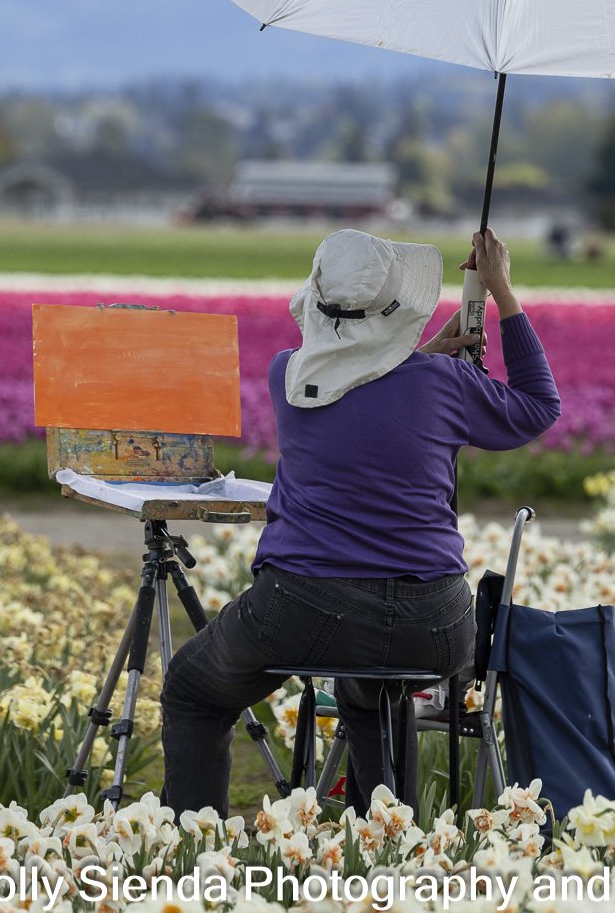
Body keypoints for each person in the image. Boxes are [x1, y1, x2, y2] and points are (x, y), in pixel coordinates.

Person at [160, 226, 561, 817]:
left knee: (192, 688)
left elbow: (357, 394)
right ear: (399, 308)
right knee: (374, 687)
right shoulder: (444, 384)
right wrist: (501, 289)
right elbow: (539, 407)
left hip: (303, 609)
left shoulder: (288, 377)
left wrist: (418, 360)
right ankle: (387, 842)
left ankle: (196, 854)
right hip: (439, 624)